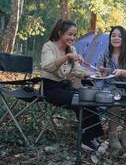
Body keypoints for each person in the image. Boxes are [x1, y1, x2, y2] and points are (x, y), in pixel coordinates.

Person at [41, 19, 107, 152]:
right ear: (60, 33)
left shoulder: (72, 49)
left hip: (64, 87)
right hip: (49, 89)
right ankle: (87, 141)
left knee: (89, 98)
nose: (72, 38)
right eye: (69, 34)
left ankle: (92, 137)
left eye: (74, 35)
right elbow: (47, 67)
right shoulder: (49, 46)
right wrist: (68, 57)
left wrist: (97, 73)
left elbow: (78, 71)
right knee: (80, 100)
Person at [97, 26, 126, 151]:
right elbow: (99, 71)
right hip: (109, 86)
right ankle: (112, 135)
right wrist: (102, 71)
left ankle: (125, 134)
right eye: (113, 35)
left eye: (119, 36)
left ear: (124, 38)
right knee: (114, 101)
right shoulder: (105, 53)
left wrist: (122, 72)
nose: (116, 38)